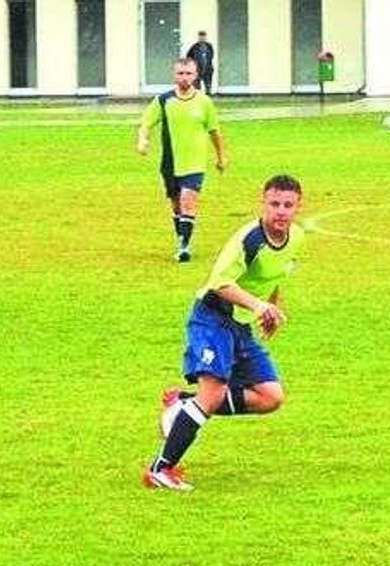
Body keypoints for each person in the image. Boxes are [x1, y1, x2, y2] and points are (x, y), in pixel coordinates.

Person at [144, 175, 305, 491]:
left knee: (271, 396)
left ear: (299, 206)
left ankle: (183, 403)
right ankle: (160, 470)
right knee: (213, 394)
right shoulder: (249, 239)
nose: (281, 211)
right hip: (212, 317)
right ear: (263, 203)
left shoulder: (297, 237)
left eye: (288, 205)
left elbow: (275, 274)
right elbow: (221, 283)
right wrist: (259, 306)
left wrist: (270, 308)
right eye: (275, 204)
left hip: (241, 326)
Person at [137, 57, 227, 263]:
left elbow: (215, 132)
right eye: (180, 73)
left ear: (195, 76)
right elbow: (146, 123)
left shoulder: (204, 102)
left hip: (194, 163)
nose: (184, 78)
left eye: (188, 74)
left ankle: (184, 247)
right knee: (176, 205)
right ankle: (181, 237)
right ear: (174, 75)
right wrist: (143, 141)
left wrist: (221, 157)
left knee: (188, 200)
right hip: (170, 164)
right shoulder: (163, 101)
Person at [185, 31, 216, 95]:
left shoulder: (209, 46)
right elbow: (188, 56)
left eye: (203, 37)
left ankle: (208, 96)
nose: (202, 38)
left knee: (208, 84)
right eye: (200, 37)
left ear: (205, 37)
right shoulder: (194, 47)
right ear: (198, 38)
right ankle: (197, 97)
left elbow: (211, 55)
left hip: (208, 68)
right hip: (197, 69)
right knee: (197, 85)